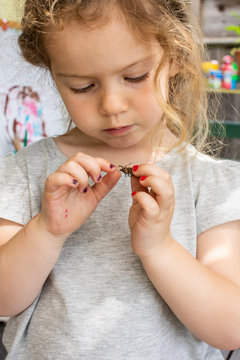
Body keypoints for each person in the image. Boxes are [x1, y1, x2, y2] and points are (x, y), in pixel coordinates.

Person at [0, 0, 240, 359]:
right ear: (53, 74)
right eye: (82, 86)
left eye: (135, 77)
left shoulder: (210, 183)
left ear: (174, 56)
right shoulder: (27, 171)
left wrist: (159, 248)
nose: (112, 105)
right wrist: (47, 230)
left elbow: (230, 328)